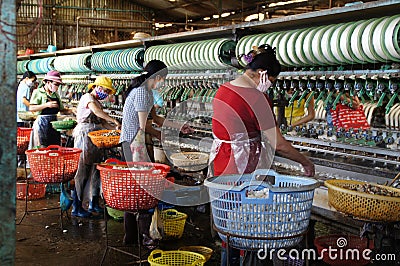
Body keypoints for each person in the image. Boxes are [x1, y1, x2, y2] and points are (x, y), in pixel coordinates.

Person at [211, 44, 315, 265]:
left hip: (222, 165)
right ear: (263, 74)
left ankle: (227, 259)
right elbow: (277, 144)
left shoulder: (224, 89)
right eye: (272, 81)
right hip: (245, 170)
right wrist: (305, 162)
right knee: (252, 226)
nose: (270, 86)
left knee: (229, 225)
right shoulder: (257, 98)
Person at [119, 59, 169, 247]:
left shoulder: (145, 92)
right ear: (157, 77)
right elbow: (143, 126)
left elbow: (156, 118)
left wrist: (179, 127)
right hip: (134, 145)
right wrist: (161, 136)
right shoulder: (141, 93)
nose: (163, 83)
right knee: (141, 190)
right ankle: (143, 236)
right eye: (163, 79)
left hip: (135, 144)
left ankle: (131, 236)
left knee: (135, 189)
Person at [71, 76, 120, 218]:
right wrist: (113, 119)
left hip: (97, 138)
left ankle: (93, 202)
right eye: (105, 90)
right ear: (96, 87)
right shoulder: (88, 98)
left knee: (96, 170)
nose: (105, 93)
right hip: (85, 136)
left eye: (107, 91)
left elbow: (102, 124)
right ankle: (77, 206)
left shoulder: (98, 102)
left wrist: (116, 130)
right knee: (82, 171)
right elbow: (98, 113)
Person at [29, 70, 72, 148]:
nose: (57, 87)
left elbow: (62, 110)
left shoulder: (56, 94)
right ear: (48, 82)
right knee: (42, 148)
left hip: (54, 126)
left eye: (58, 85)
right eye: (56, 84)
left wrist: (72, 110)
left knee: (54, 148)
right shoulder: (38, 92)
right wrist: (46, 105)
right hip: (41, 125)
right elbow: (31, 108)